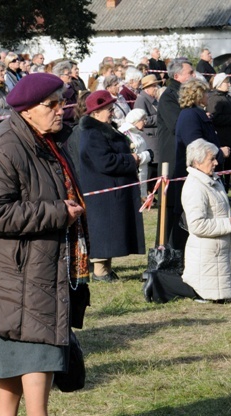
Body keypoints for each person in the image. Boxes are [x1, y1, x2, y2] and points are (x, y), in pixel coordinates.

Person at [0, 73, 88, 416]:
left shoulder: (43, 140)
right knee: (38, 352)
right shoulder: (3, 147)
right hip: (12, 269)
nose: (60, 110)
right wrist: (57, 213)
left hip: (33, 263)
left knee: (19, 350)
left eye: (61, 102)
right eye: (51, 105)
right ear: (27, 110)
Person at [143, 139, 231, 303]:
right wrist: (228, 224)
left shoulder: (213, 181)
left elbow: (221, 209)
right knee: (200, 292)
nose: (216, 162)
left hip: (216, 252)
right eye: (212, 159)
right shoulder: (195, 187)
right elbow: (197, 225)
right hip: (205, 253)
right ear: (197, 162)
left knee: (213, 295)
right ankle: (157, 280)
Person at [79, 90, 145, 281]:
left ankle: (106, 268)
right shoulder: (92, 133)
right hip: (103, 192)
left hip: (112, 189)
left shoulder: (105, 128)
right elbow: (105, 162)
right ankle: (100, 271)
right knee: (104, 231)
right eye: (108, 109)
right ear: (96, 112)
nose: (112, 112)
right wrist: (130, 159)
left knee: (111, 230)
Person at [171, 78, 223, 250]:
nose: (208, 95)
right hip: (193, 175)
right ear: (198, 95)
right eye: (206, 92)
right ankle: (180, 254)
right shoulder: (189, 116)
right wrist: (220, 152)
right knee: (189, 216)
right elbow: (196, 147)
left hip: (202, 173)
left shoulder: (195, 114)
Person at [157, 59, 195, 244]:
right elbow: (177, 125)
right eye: (190, 72)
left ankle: (182, 247)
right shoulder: (169, 96)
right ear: (177, 75)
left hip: (185, 157)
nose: (193, 76)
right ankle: (167, 250)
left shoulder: (186, 94)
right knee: (171, 207)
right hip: (172, 159)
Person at [207, 73, 231, 192]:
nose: (229, 84)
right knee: (221, 167)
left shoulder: (228, 97)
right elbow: (215, 119)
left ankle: (226, 190)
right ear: (219, 84)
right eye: (226, 82)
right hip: (222, 139)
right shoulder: (215, 99)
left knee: (229, 167)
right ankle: (221, 191)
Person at [119, 109, 152, 200]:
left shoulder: (136, 133)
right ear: (136, 121)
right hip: (134, 174)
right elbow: (135, 156)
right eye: (143, 120)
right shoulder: (126, 134)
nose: (145, 122)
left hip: (141, 172)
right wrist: (148, 155)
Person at [134, 74, 160, 191]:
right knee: (150, 168)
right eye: (154, 86)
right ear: (147, 88)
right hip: (149, 138)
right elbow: (141, 120)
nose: (156, 88)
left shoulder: (154, 100)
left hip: (156, 137)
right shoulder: (142, 100)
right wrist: (159, 118)